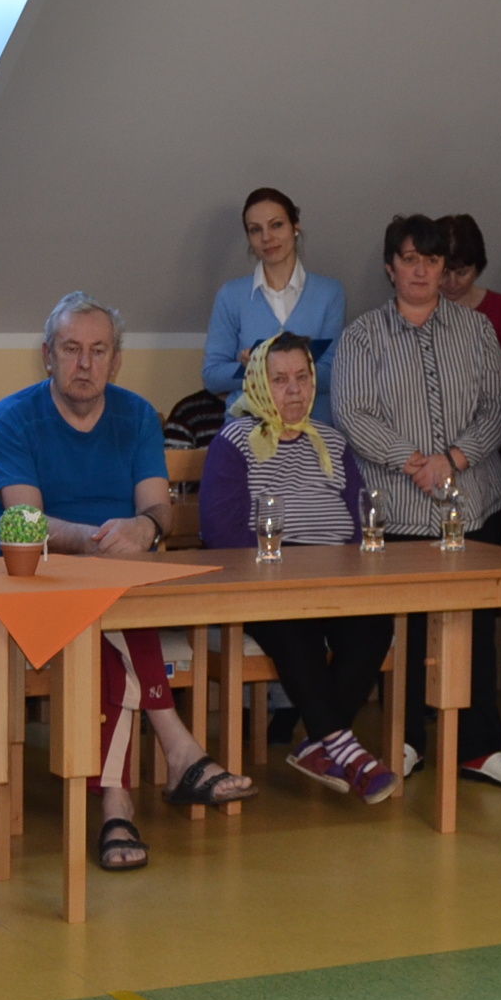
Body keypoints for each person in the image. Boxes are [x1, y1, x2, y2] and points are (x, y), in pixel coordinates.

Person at [0, 293, 254, 872]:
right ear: (47, 355)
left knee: (108, 621)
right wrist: (95, 542)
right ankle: (173, 751)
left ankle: (119, 802)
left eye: (98, 350)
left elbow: (158, 511)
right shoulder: (11, 416)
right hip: (30, 580)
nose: (85, 363)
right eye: (71, 349)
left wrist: (144, 528)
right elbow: (25, 521)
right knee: (109, 614)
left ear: (117, 359)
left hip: (117, 578)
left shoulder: (136, 415)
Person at [334, 215, 501, 788]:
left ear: (445, 269)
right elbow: (351, 412)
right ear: (390, 266)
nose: (421, 270)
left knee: (476, 626)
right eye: (410, 258)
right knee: (411, 630)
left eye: (432, 260)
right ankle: (409, 740)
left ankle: (479, 747)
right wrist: (414, 461)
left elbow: (498, 405)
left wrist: (454, 458)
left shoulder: (477, 329)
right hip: (399, 507)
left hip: (476, 502)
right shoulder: (362, 335)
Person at [199, 334, 396, 802]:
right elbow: (221, 534)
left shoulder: (331, 441)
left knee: (375, 623)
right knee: (295, 627)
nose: (294, 390)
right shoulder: (235, 442)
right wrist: (289, 571)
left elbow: (358, 522)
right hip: (265, 585)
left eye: (303, 377)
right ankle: (345, 749)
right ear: (258, 385)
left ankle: (320, 744)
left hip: (335, 581)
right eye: (280, 379)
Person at [203, 188, 348, 424]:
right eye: (255, 230)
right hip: (248, 431)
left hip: (312, 430)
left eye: (276, 225)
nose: (266, 237)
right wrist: (251, 369)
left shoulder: (329, 293)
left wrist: (267, 363)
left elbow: (333, 373)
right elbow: (212, 377)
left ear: (295, 226)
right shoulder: (231, 295)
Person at [441, 214, 501, 403]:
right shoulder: (413, 309)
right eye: (444, 273)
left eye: (462, 273)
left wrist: (480, 389)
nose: (452, 283)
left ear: (477, 269)